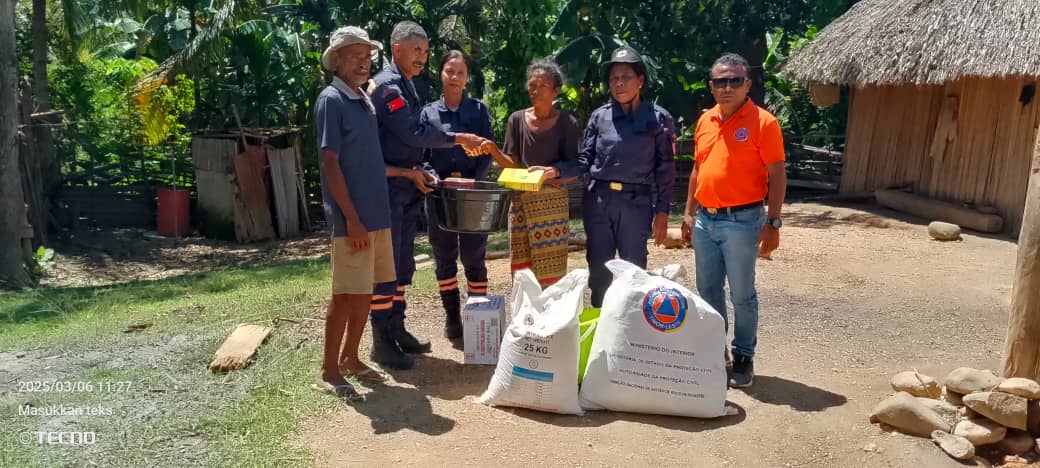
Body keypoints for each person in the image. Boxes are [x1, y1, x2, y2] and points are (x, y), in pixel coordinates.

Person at [367, 20, 485, 370]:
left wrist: (423, 170)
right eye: (416, 49)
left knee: (402, 265)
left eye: (425, 50)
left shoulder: (407, 85)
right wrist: (457, 139)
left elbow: (411, 143)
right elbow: (412, 132)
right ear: (396, 50)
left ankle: (396, 327)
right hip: (388, 189)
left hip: (406, 189)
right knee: (387, 267)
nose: (422, 56)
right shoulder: (389, 87)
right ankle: (380, 339)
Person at [680, 53, 787, 388]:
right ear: (712, 86)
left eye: (734, 81)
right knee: (708, 290)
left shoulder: (764, 123)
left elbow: (777, 174)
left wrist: (774, 222)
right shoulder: (705, 120)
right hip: (705, 220)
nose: (727, 87)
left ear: (747, 84)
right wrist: (688, 211)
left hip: (743, 220)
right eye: (720, 81)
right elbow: (698, 168)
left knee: (742, 294)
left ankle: (743, 356)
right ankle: (716, 350)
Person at [551, 46, 676, 307]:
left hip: (636, 203)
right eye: (613, 78)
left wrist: (662, 212)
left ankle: (629, 338)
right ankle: (599, 331)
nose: (619, 83)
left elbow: (665, 169)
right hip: (599, 202)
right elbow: (585, 159)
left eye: (625, 77)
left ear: (640, 81)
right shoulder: (600, 117)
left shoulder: (659, 118)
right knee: (599, 271)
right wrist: (556, 171)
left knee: (633, 273)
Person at [313, 26, 393, 398]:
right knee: (345, 294)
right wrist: (352, 218)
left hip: (376, 215)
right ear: (337, 59)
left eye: (368, 57)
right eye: (355, 56)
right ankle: (329, 371)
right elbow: (331, 164)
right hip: (353, 220)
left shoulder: (362, 98)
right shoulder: (332, 99)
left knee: (365, 292)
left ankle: (351, 358)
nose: (364, 63)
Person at [478, 58, 581, 287]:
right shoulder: (517, 120)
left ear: (556, 90)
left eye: (541, 86)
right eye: (532, 85)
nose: (534, 90)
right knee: (522, 269)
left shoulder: (567, 123)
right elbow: (512, 163)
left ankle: (552, 317)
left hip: (551, 206)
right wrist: (493, 150)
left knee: (551, 269)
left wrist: (551, 172)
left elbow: (575, 167)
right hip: (521, 202)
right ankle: (526, 318)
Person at [420, 50, 494, 339]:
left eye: (460, 72)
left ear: (467, 78)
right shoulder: (427, 113)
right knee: (444, 256)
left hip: (472, 196)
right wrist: (435, 178)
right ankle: (452, 318)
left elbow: (487, 152)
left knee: (474, 256)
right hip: (439, 197)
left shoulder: (478, 111)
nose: (454, 77)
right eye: (449, 71)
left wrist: (472, 179)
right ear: (440, 73)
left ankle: (478, 320)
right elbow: (422, 154)